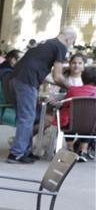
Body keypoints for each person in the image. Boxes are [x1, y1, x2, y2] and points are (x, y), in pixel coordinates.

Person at [7, 28, 77, 164]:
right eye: (72, 43)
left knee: (28, 116)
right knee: (27, 118)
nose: (70, 45)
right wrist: (72, 88)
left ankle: (25, 150)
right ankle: (16, 153)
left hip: (15, 78)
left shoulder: (46, 43)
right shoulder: (61, 47)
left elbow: (43, 72)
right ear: (69, 39)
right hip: (27, 81)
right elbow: (57, 76)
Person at [57, 66, 96, 161]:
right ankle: (83, 150)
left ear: (83, 79)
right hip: (91, 125)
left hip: (71, 124)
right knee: (90, 121)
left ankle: (70, 149)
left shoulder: (73, 90)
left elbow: (65, 104)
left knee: (66, 116)